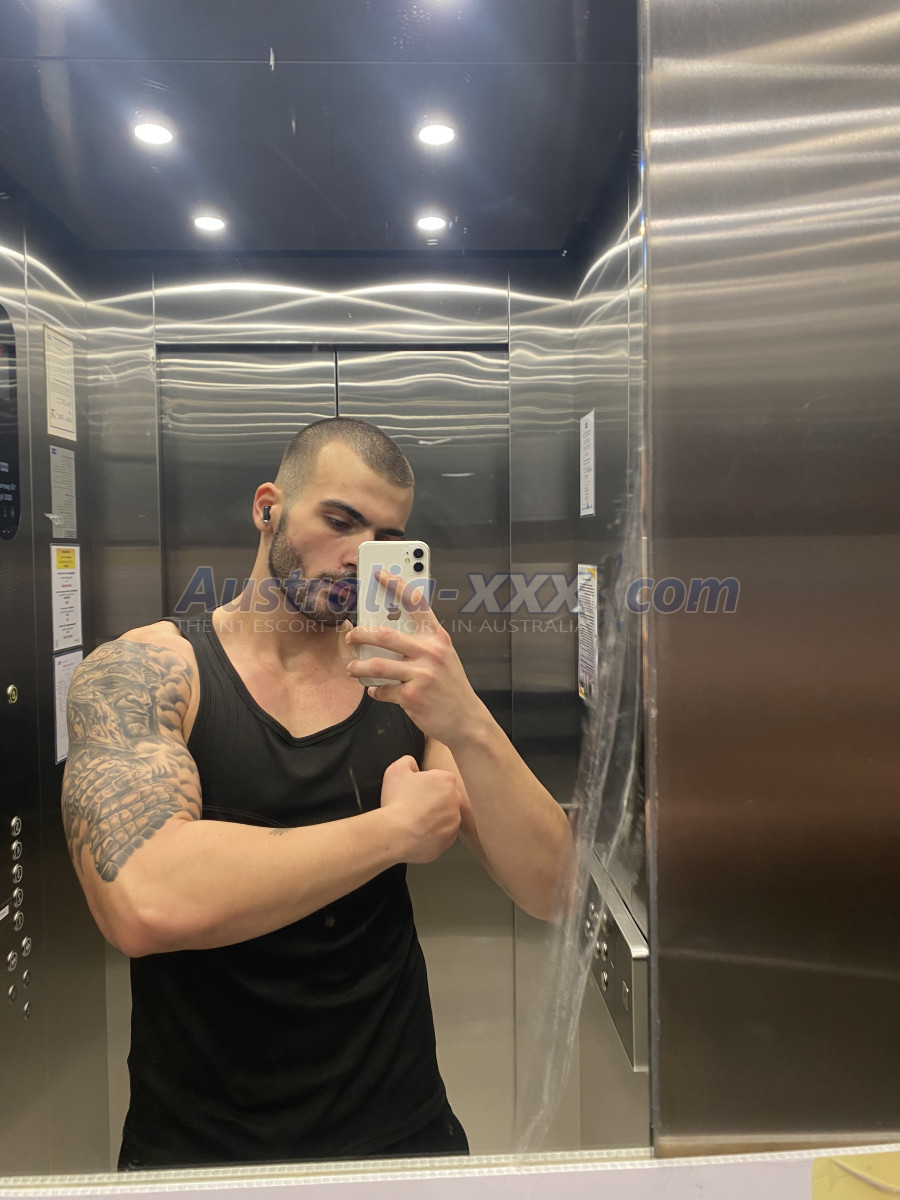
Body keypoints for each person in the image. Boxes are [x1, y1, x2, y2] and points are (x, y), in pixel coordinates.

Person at [62, 418, 572, 1169]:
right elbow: (144, 900)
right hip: (201, 1152)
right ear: (269, 507)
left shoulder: (405, 681)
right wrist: (391, 833)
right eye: (340, 520)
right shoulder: (149, 670)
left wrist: (466, 718)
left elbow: (553, 886)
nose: (359, 553)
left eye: (386, 536)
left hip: (403, 1135)